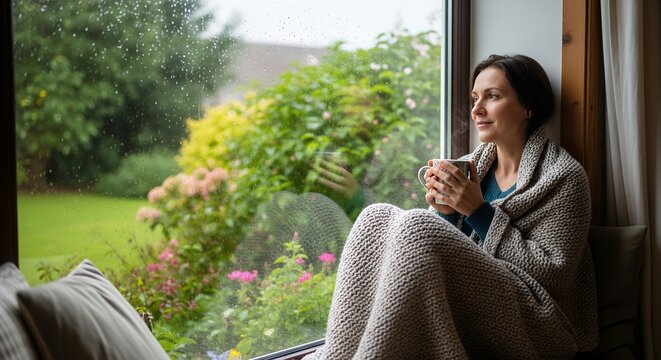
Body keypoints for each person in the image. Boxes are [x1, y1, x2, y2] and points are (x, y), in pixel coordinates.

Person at [303, 54, 598, 359]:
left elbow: (552, 275)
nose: (477, 109)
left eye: (492, 96)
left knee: (417, 223)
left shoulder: (563, 177)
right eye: (475, 98)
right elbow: (446, 251)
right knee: (375, 216)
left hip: (533, 320)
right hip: (468, 300)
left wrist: (478, 212)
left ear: (529, 106)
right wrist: (446, 213)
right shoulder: (476, 166)